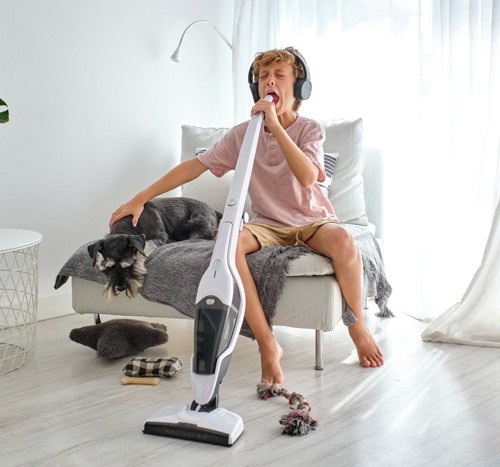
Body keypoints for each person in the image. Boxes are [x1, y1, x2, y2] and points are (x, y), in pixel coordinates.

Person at [109, 48, 383, 386]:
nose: (270, 81)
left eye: (279, 76)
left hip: (311, 221)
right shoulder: (243, 134)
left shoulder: (310, 130)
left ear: (298, 87)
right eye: (264, 77)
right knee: (228, 245)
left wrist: (275, 126)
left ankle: (357, 327)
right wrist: (141, 197)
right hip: (267, 223)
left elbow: (308, 177)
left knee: (343, 240)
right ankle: (268, 344)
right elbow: (196, 166)